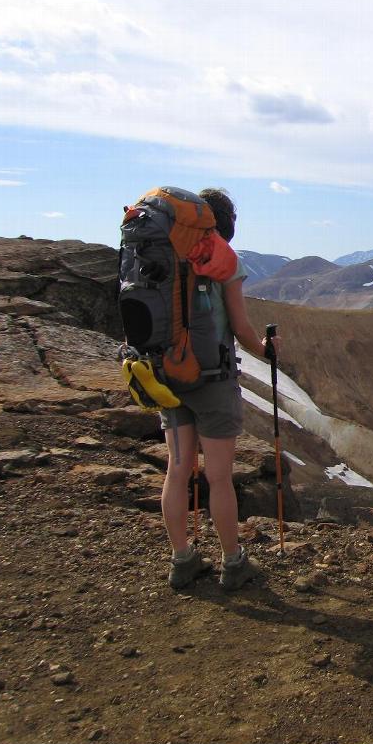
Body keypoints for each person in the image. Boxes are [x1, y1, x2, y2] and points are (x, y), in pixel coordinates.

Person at [160, 188, 282, 591]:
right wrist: (266, 351)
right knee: (219, 477)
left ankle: (183, 561)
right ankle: (233, 562)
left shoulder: (163, 257)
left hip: (169, 377)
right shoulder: (225, 262)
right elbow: (242, 329)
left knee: (177, 471)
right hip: (212, 379)